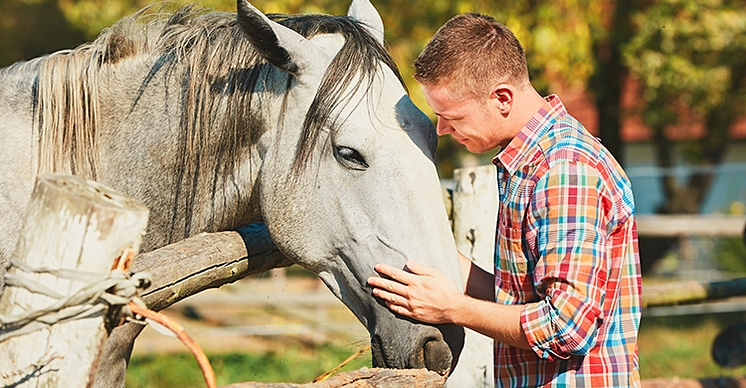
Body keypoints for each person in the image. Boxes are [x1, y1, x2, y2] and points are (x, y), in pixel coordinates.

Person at [367, 12, 642, 388]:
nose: (443, 130)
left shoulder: (564, 170)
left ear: (501, 98)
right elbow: (522, 295)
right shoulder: (530, 163)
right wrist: (446, 262)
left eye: (452, 116)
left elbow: (568, 326)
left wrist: (452, 308)